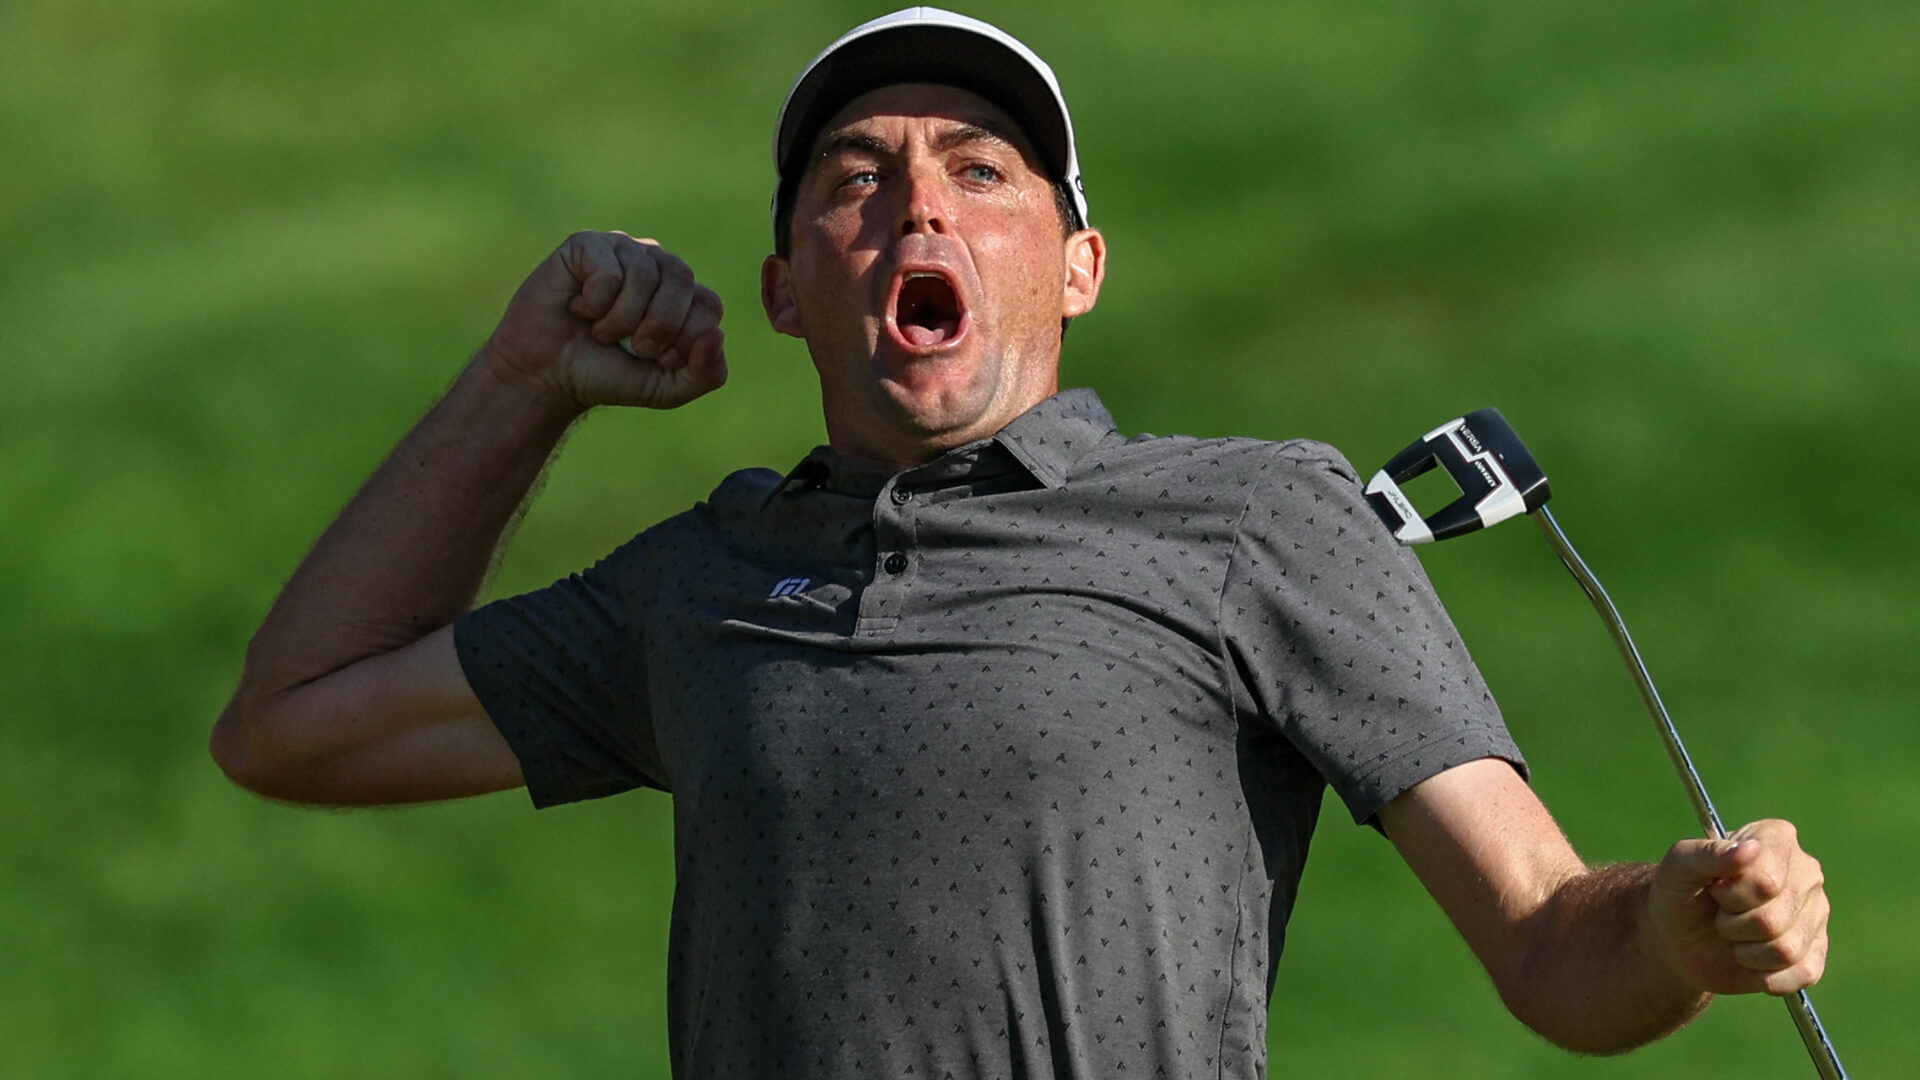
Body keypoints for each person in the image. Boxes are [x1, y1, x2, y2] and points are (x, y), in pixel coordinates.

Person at [211, 8, 1830, 1078]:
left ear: (1076, 268)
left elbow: (1551, 945)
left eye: (981, 174)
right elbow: (294, 727)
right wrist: (519, 385)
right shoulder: (699, 582)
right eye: (856, 180)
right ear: (788, 290)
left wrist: (1679, 930)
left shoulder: (1260, 516)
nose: (918, 207)